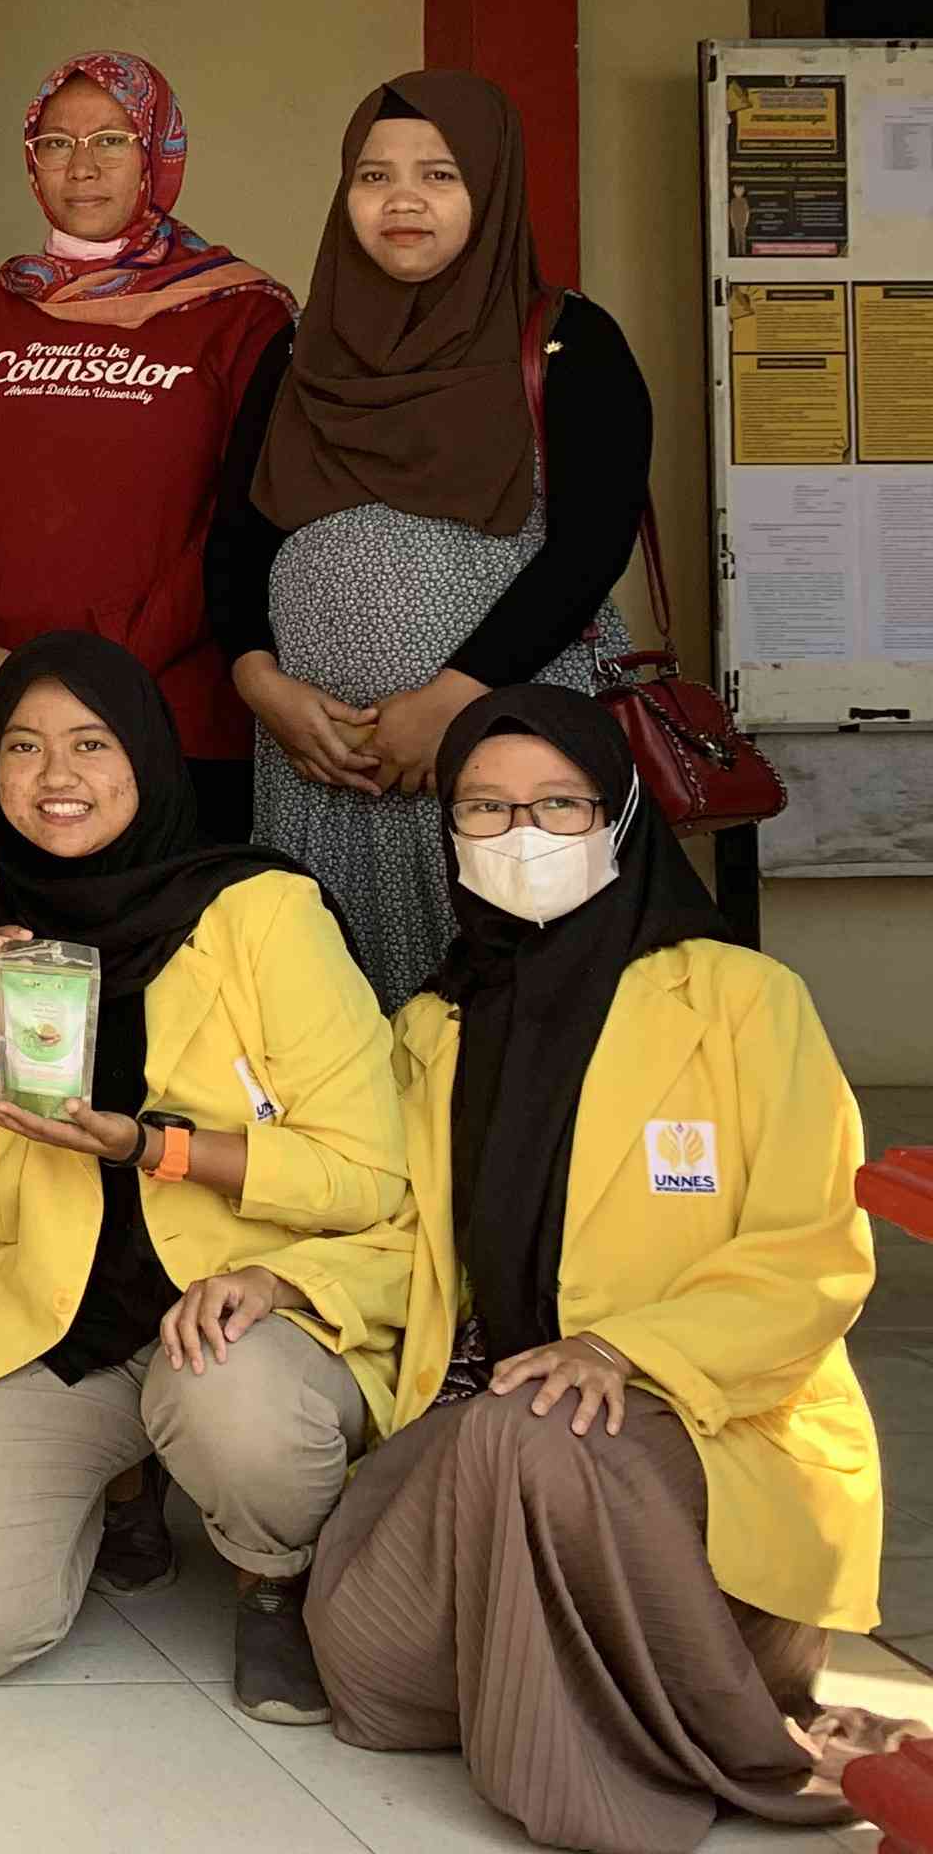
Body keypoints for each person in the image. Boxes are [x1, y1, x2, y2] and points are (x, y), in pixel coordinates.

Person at [240, 690, 897, 1849]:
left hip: (702, 1433)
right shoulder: (436, 1027)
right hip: (477, 1417)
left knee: (532, 1428)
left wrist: (622, 1351)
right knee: (372, 1665)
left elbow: (813, 1254)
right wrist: (299, 1284)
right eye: (484, 810)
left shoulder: (742, 1003)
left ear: (622, 813)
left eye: (557, 805)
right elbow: (408, 1241)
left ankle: (697, 1754)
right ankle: (669, 1709)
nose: (521, 836)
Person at [0, 633, 404, 1722]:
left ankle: (279, 1575)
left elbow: (367, 1175)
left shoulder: (260, 914)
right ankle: (124, 1484)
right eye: (22, 747)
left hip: (243, 1317)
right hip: (63, 1326)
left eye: (89, 743)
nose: (54, 777)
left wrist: (154, 1148)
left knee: (223, 1399)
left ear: (149, 759)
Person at [210, 71, 650, 1007]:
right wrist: (263, 686)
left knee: (513, 1017)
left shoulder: (571, 344)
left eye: (440, 175)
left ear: (490, 190)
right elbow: (236, 543)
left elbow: (589, 551)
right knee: (333, 1027)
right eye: (374, 176)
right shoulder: (295, 357)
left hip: (508, 766)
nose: (403, 199)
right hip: (319, 779)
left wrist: (454, 701)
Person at [0, 53, 291, 839]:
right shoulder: (2, 308)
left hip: (174, 713)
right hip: (12, 701)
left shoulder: (239, 312)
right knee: (42, 956)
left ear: (156, 151)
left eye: (112, 140)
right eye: (55, 143)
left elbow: (243, 512)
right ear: (31, 161)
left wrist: (110, 673)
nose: (81, 167)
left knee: (180, 950)